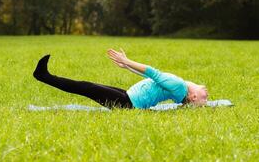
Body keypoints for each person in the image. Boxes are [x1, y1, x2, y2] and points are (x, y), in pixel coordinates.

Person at [33, 48, 208, 109]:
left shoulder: (179, 87)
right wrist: (127, 66)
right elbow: (154, 80)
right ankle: (44, 76)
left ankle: (43, 76)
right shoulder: (180, 89)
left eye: (204, 97)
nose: (206, 94)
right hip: (127, 97)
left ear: (193, 97)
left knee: (85, 87)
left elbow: (152, 72)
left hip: (128, 103)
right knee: (86, 87)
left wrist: (127, 60)